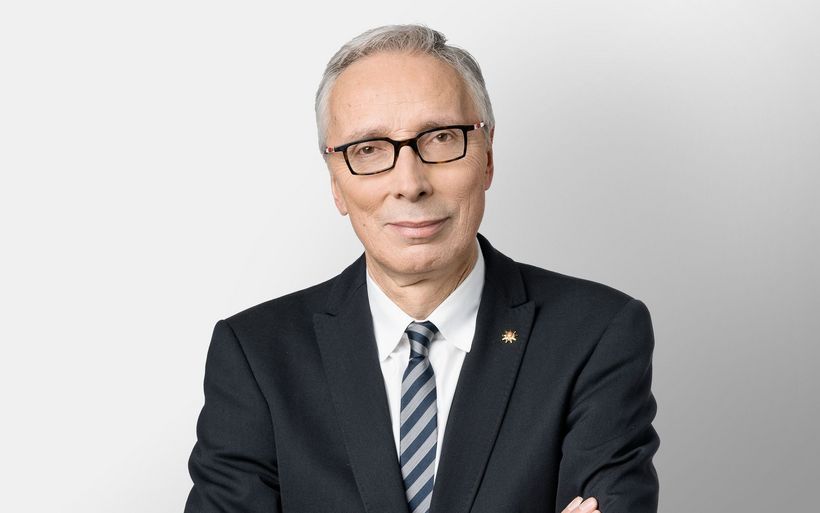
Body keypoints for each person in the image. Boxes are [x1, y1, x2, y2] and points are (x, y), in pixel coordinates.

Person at [184, 24, 660, 513]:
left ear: (487, 156)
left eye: (441, 138)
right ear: (336, 183)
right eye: (368, 149)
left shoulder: (596, 334)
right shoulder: (257, 355)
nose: (410, 183)